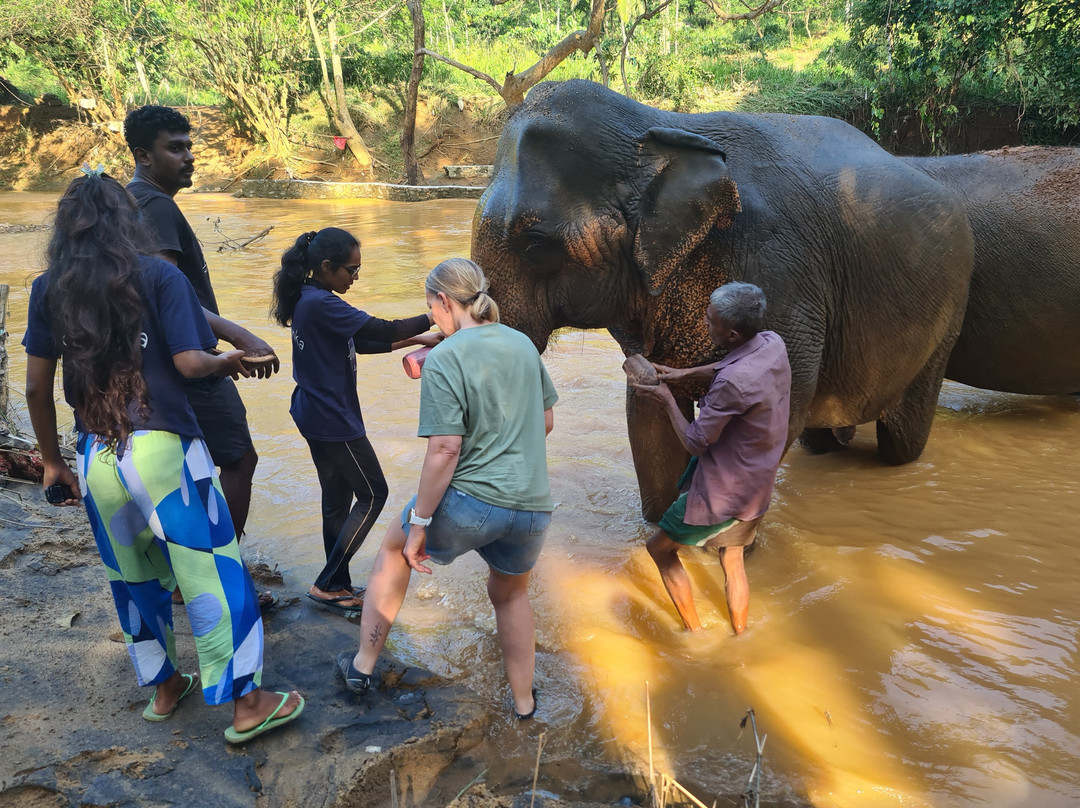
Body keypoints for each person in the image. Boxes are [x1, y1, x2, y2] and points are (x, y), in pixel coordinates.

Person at [22, 170, 303, 743]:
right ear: (128, 222)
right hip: (163, 448)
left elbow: (34, 387)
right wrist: (232, 360)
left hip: (95, 455)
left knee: (131, 578)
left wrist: (52, 462)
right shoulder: (157, 275)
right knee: (211, 570)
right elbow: (189, 364)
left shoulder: (48, 288)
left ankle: (166, 685)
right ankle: (248, 703)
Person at [335, 258, 557, 720]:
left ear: (443, 301)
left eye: (431, 309)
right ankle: (524, 704)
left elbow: (444, 450)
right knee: (512, 595)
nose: (432, 319)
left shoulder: (445, 357)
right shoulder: (522, 344)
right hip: (534, 508)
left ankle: (361, 665)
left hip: (473, 501)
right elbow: (546, 420)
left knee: (396, 551)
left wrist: (419, 525)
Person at [123, 106, 276, 606]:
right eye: (176, 148)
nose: (189, 158)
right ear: (143, 156)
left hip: (150, 359)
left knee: (189, 469)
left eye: (190, 146)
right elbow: (170, 292)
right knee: (238, 461)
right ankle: (215, 578)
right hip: (186, 357)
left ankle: (184, 572)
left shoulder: (132, 202)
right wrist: (240, 336)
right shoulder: (156, 207)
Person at [271, 227, 441, 615]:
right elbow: (381, 328)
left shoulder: (310, 297)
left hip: (313, 410)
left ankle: (338, 583)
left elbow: (362, 342)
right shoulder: (321, 303)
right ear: (327, 266)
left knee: (337, 500)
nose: (355, 278)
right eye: (352, 270)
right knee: (373, 494)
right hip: (333, 418)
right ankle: (328, 582)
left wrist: (419, 340)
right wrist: (435, 315)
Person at [630, 282, 791, 635]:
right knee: (732, 559)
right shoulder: (771, 343)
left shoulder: (731, 385)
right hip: (757, 487)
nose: (705, 322)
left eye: (710, 319)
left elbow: (696, 442)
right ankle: (740, 635)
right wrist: (687, 374)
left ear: (731, 333)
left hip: (722, 494)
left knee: (659, 549)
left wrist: (667, 400)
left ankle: (695, 635)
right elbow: (735, 366)